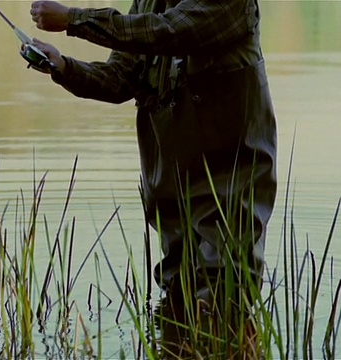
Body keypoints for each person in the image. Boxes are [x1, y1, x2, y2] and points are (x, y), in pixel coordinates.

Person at [28, 0, 277, 306]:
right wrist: (62, 66)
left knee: (224, 299)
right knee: (176, 300)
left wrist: (74, 20)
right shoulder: (147, 2)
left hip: (227, 189)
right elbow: (120, 77)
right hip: (171, 194)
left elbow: (167, 32)